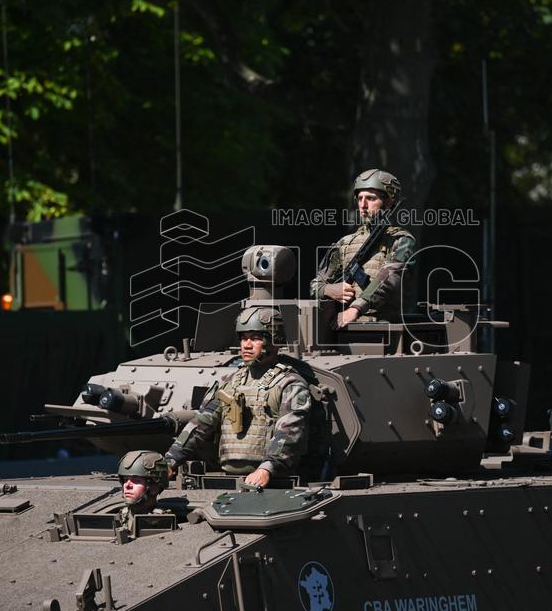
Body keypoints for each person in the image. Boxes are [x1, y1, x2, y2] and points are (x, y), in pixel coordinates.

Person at [165, 306, 311, 488]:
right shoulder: (230, 381)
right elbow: (201, 424)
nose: (246, 345)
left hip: (274, 482)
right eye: (243, 338)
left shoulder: (290, 383)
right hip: (228, 479)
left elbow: (290, 432)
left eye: (255, 338)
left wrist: (267, 468)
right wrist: (171, 461)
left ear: (275, 341)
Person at [310, 169, 416, 328]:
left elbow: (390, 279)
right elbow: (315, 285)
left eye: (371, 198)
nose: (363, 205)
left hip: (384, 329)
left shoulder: (401, 241)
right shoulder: (345, 243)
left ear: (388, 202)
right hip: (341, 327)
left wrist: (356, 308)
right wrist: (330, 289)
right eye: (360, 198)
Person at [116, 450, 169, 529]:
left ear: (154, 488)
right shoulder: (123, 515)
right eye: (125, 480)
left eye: (136, 481)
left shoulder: (163, 522)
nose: (127, 485)